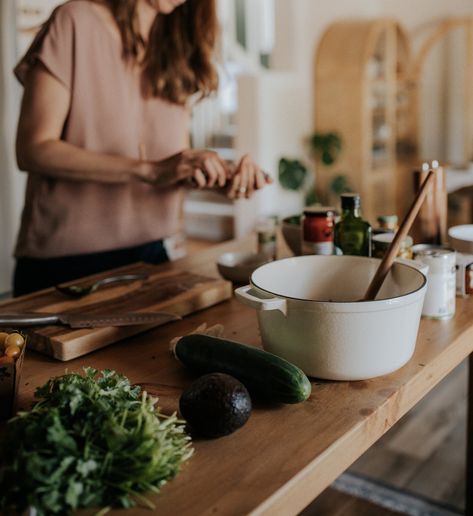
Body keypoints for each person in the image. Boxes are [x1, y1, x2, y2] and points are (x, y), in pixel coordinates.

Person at [12, 0, 271, 297]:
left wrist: (219, 176)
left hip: (154, 258)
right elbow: (33, 149)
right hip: (63, 265)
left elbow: (170, 165)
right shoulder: (74, 20)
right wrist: (150, 171)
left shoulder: (179, 43)